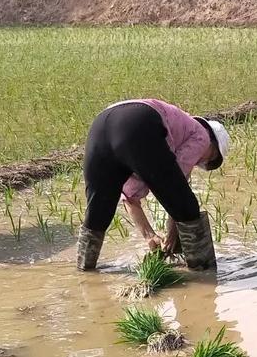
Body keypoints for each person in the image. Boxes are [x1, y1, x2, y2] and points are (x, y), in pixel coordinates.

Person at [76, 99, 228, 273]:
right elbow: (175, 189)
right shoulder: (201, 135)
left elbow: (130, 198)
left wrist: (150, 236)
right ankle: (204, 273)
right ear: (212, 143)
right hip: (140, 121)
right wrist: (173, 232)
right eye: (211, 158)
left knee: (97, 216)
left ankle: (84, 275)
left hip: (100, 127)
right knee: (188, 209)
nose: (203, 162)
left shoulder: (179, 130)